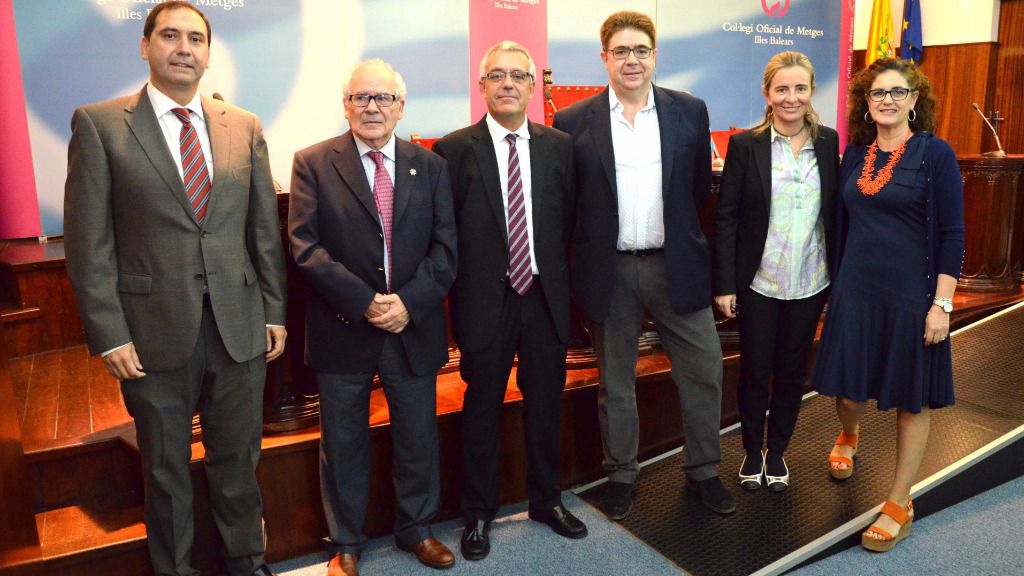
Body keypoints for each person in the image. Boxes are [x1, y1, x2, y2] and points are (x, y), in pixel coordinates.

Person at [63, 3, 287, 575]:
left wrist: (274, 310)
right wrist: (109, 332)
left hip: (238, 325)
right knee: (164, 469)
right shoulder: (99, 124)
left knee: (238, 459)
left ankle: (245, 561)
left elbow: (263, 232)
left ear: (209, 53)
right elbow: (90, 244)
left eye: (196, 38)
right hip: (151, 331)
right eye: (170, 36)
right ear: (146, 46)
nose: (184, 48)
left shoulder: (246, 126)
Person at [553, 10, 734, 518]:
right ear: (604, 58)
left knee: (703, 370)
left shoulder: (689, 111)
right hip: (608, 271)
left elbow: (699, 190)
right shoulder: (573, 121)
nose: (631, 60)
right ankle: (621, 476)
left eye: (641, 51)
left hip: (676, 264)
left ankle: (703, 471)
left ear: (655, 56)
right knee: (616, 382)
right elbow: (571, 205)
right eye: (621, 51)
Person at [288, 59, 457, 576]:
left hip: (412, 324)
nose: (372, 107)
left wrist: (407, 302)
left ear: (400, 107)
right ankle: (346, 542)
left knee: (417, 435)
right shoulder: (313, 162)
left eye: (383, 98)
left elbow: (445, 249)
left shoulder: (429, 166)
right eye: (361, 97)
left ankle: (416, 530)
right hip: (345, 327)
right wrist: (365, 301)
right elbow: (304, 247)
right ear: (345, 105)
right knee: (342, 442)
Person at [433, 41, 585, 562]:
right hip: (484, 301)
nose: (508, 84)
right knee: (481, 410)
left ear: (531, 85)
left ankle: (546, 500)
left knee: (545, 405)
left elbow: (565, 223)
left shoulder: (560, 146)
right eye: (496, 75)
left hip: (544, 297)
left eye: (518, 75)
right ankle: (478, 512)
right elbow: (445, 231)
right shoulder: (453, 150)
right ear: (481, 87)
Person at [810, 57, 964, 552]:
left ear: (915, 101)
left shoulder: (935, 155)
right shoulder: (855, 153)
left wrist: (942, 304)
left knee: (909, 399)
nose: (888, 101)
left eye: (898, 92)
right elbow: (838, 223)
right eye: (878, 93)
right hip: (855, 293)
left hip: (911, 300)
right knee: (849, 394)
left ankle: (900, 500)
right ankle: (849, 434)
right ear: (866, 102)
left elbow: (952, 233)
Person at [714, 51, 839, 493]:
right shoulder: (747, 146)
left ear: (810, 91)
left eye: (800, 88)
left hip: (811, 280)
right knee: (754, 370)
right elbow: (726, 216)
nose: (791, 97)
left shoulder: (829, 141)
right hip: (760, 282)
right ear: (767, 93)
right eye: (781, 89)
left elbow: (835, 214)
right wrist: (725, 284)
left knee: (791, 373)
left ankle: (778, 452)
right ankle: (752, 451)